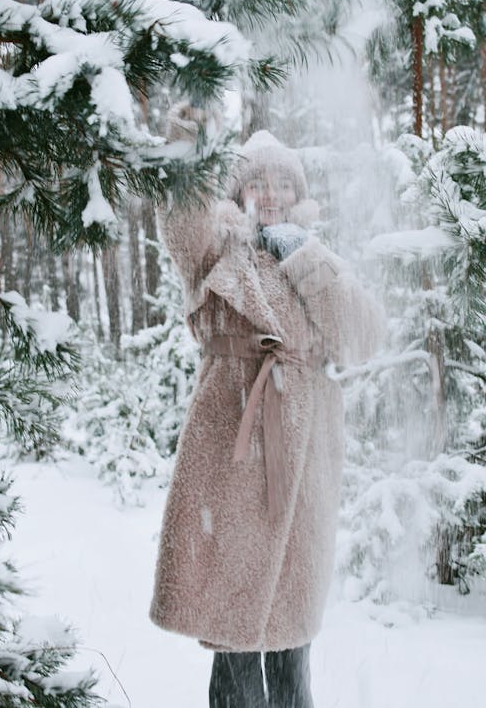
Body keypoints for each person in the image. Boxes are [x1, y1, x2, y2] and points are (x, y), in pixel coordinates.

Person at [149, 104, 385, 707]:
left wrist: (305, 258)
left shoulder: (316, 258)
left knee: (290, 636)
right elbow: (180, 220)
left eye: (284, 184)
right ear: (239, 191)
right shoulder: (217, 252)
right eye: (259, 182)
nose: (272, 195)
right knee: (234, 629)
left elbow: (363, 336)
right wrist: (184, 137)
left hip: (303, 464)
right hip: (232, 450)